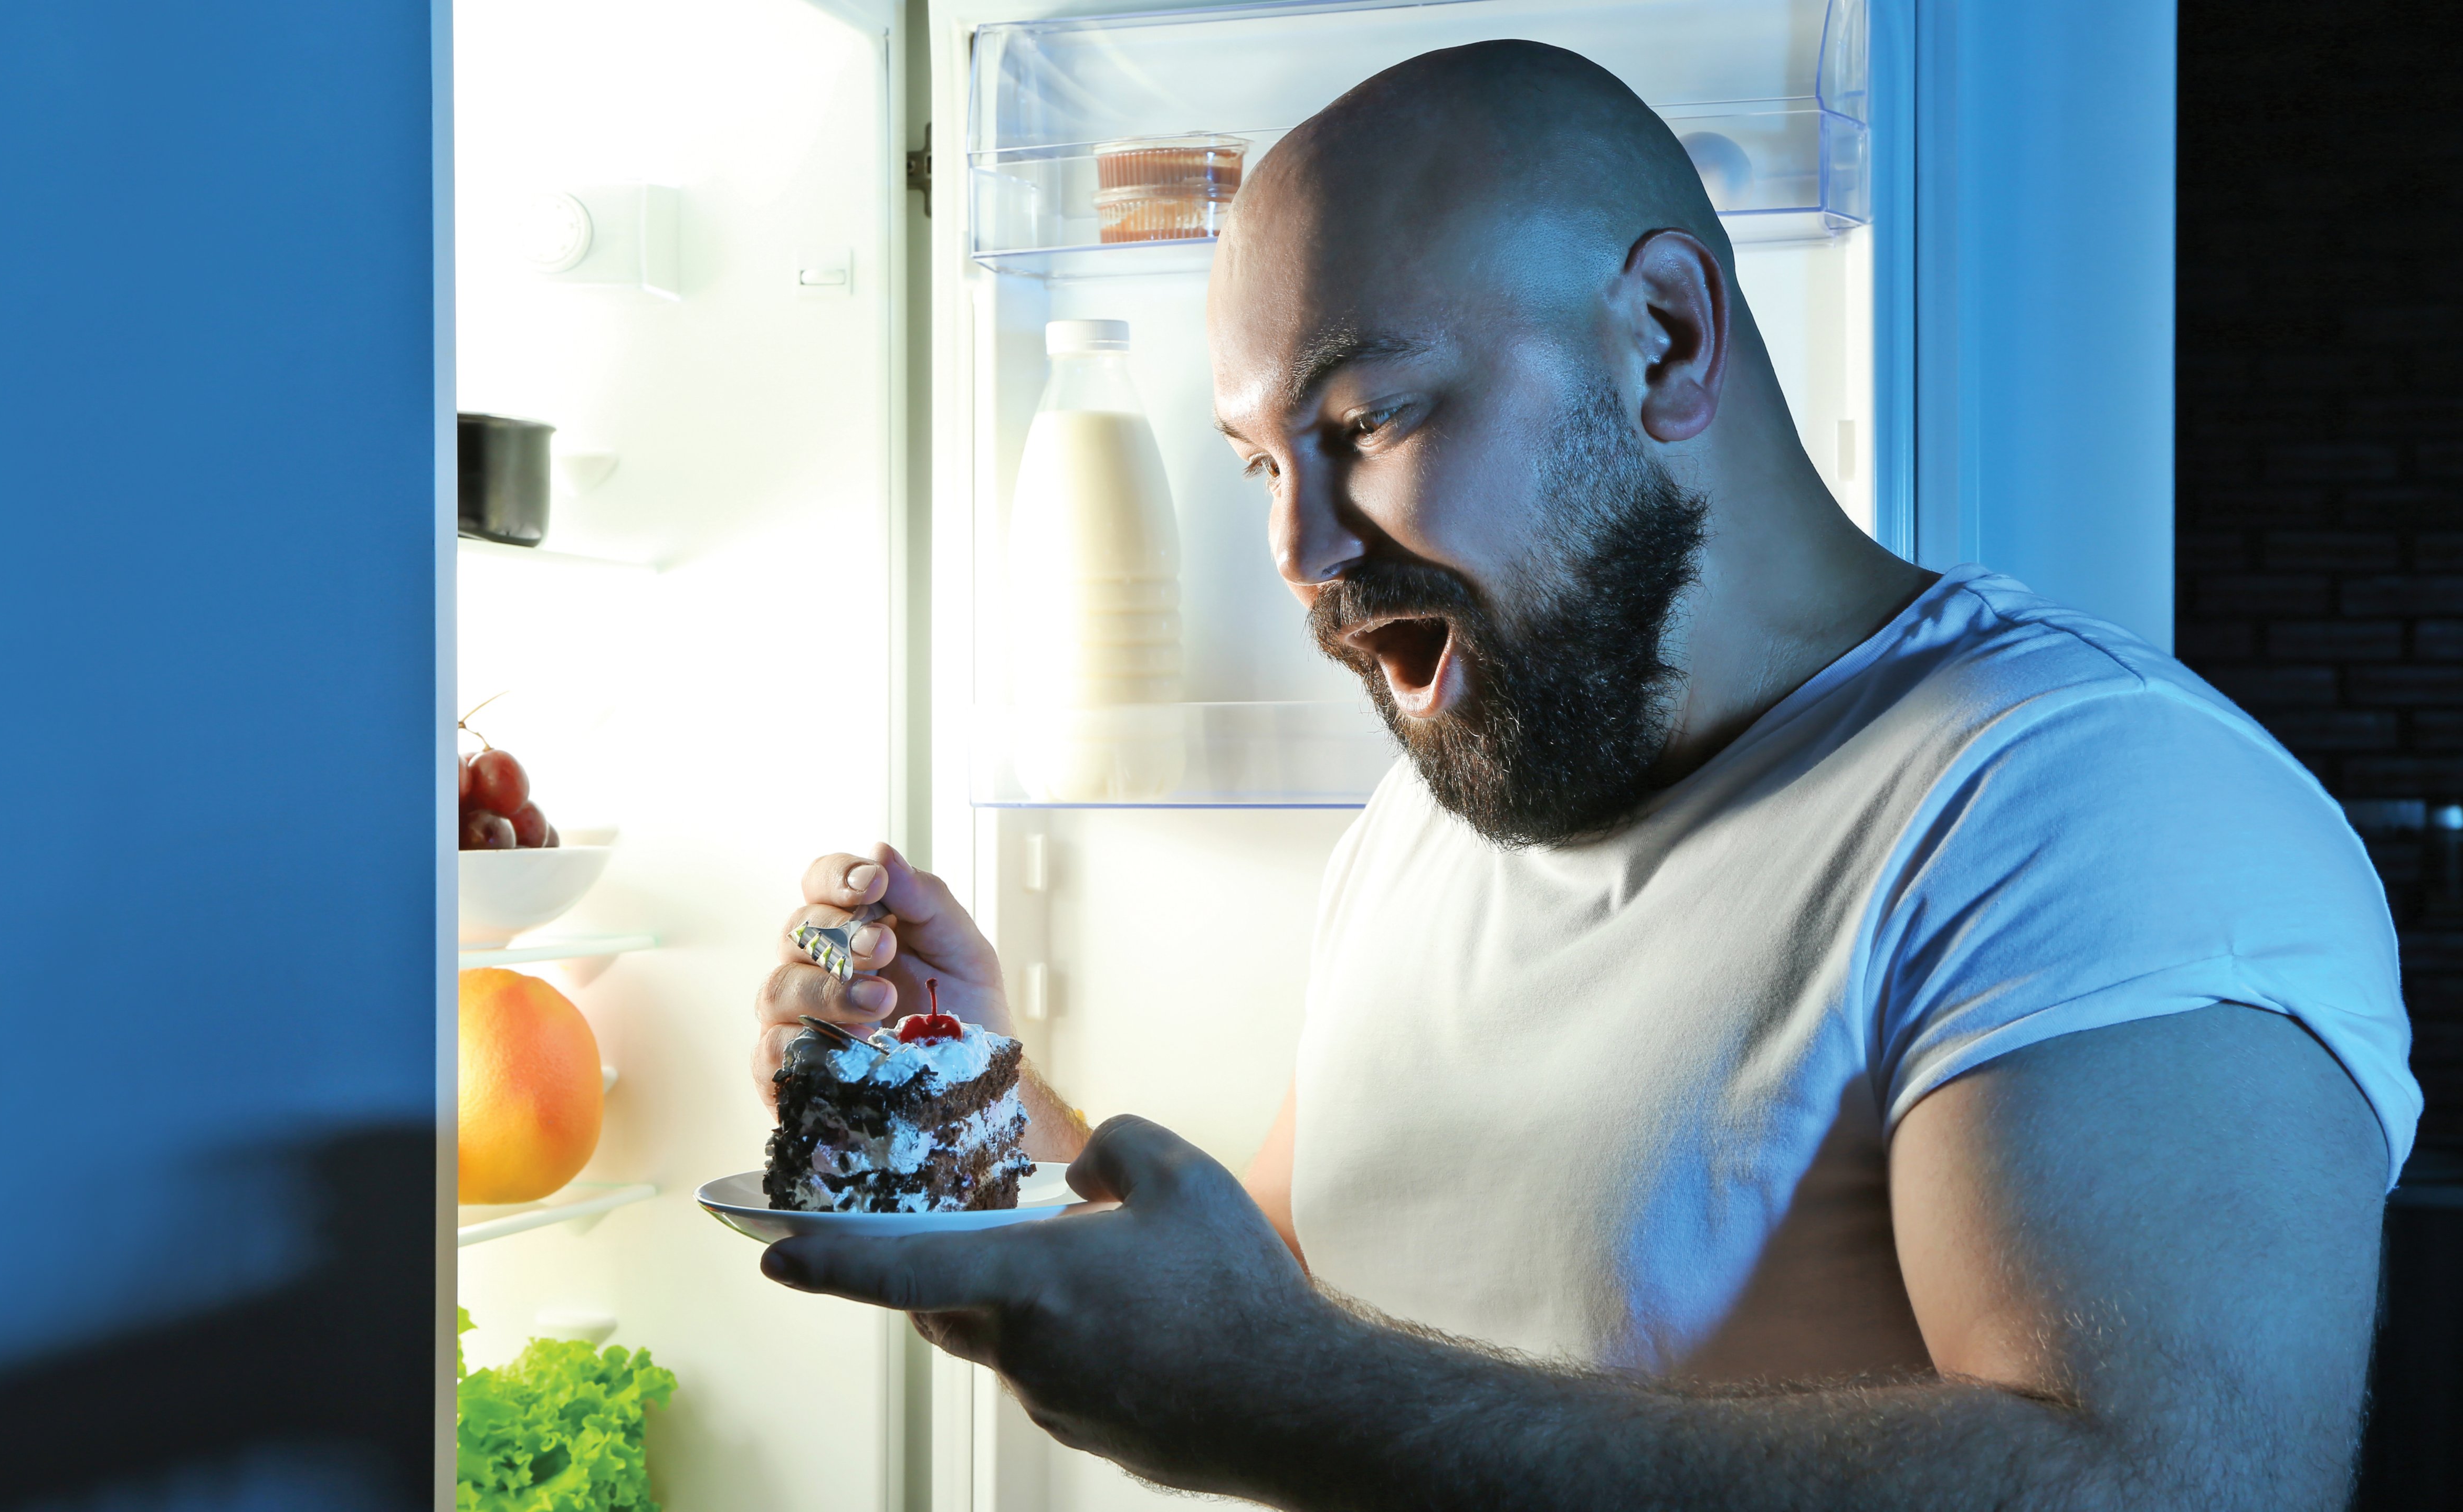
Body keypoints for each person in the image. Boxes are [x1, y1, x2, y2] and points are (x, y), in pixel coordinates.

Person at [750, 40, 2417, 1511]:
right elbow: (1276, 1303)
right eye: (1263, 460)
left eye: (1370, 417)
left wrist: (1286, 1403)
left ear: (1668, 337)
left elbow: (2172, 1482)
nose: (1298, 548)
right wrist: (955, 1105)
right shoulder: (1443, 809)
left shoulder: (2084, 805)